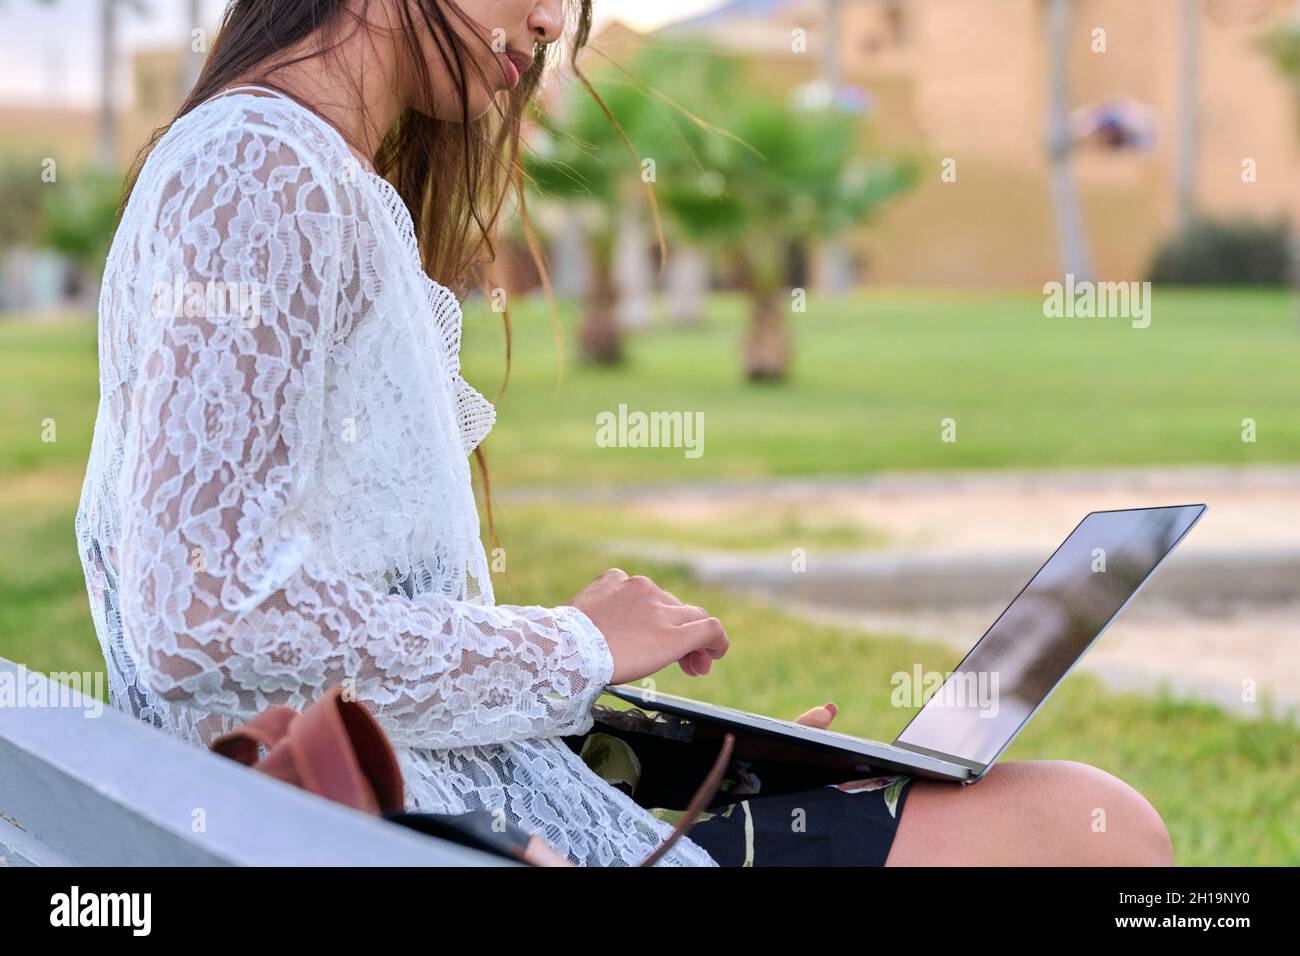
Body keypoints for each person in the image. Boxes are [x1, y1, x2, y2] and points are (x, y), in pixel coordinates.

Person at [75, 0, 1173, 867]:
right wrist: (573, 641)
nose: (553, 23)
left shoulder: (304, 172)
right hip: (430, 840)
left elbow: (285, 626)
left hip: (491, 819)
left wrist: (668, 764)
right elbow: (206, 613)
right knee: (1090, 826)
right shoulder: (260, 169)